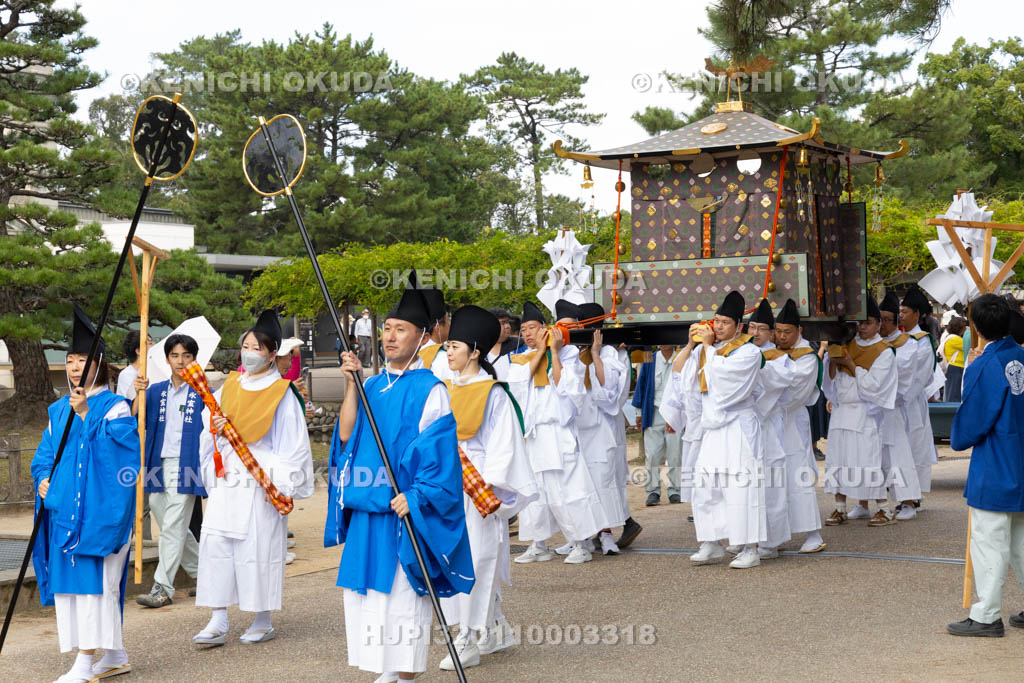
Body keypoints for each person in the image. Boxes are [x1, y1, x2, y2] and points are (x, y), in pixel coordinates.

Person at [327, 281, 473, 681]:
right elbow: (345, 437)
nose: (390, 336)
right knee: (369, 594)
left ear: (422, 336)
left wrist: (418, 495)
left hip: (402, 508)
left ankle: (405, 674)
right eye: (387, 328)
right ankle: (384, 671)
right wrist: (351, 385)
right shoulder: (371, 384)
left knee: (403, 593)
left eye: (400, 329)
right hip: (367, 508)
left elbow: (439, 458)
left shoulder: (431, 389)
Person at [191, 310, 314, 647]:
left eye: (257, 347)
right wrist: (215, 431)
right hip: (229, 479)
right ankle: (218, 617)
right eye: (245, 345)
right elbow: (208, 434)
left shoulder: (282, 393)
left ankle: (262, 618)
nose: (249, 352)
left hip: (261, 482)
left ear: (273, 353)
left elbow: (293, 445)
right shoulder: (228, 386)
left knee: (257, 550)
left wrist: (276, 482)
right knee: (216, 546)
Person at [31, 305, 139, 682]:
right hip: (65, 510)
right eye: (71, 360)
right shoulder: (57, 408)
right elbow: (45, 454)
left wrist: (86, 414)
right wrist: (43, 478)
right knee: (79, 589)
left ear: (101, 362)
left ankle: (84, 662)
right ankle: (115, 654)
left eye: (84, 359)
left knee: (98, 588)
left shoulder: (116, 408)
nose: (76, 366)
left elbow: (122, 462)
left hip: (101, 512)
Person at [438, 305, 537, 670]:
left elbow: (505, 446)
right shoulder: (442, 388)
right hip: (444, 488)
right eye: (446, 346)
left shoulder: (494, 393)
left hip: (477, 487)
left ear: (475, 351)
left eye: (454, 347)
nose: (447, 352)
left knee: (477, 561)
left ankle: (467, 639)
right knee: (449, 559)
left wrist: (488, 488)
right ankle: (496, 629)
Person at [947, 293, 1024, 637]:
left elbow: (973, 422)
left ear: (974, 326)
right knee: (1021, 537)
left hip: (996, 460)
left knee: (989, 538)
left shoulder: (983, 364)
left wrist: (971, 373)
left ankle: (986, 614)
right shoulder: (1021, 355)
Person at [510, 300, 607, 566]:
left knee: (568, 489)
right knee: (535, 492)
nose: (529, 333)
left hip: (557, 432)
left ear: (546, 328)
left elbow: (571, 391)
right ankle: (537, 544)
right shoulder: (521, 359)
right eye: (525, 329)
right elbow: (516, 387)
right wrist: (539, 352)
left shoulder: (568, 354)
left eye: (534, 328)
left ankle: (581, 543)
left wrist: (552, 352)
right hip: (534, 434)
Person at [686, 290, 766, 570]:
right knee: (706, 485)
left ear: (739, 326)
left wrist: (707, 349)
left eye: (725, 323)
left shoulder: (749, 352)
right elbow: (692, 387)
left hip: (738, 426)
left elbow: (728, 385)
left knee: (741, 487)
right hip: (713, 429)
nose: (717, 327)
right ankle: (711, 541)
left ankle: (749, 548)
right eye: (716, 321)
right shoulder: (706, 350)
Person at [133, 334, 206, 609]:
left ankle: (162, 588)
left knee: (174, 524)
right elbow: (135, 417)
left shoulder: (202, 392)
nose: (180, 361)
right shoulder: (155, 391)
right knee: (170, 523)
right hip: (156, 463)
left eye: (186, 356)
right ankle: (207, 575)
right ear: (166, 359)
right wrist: (138, 392)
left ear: (194, 359)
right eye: (175, 355)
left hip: (187, 463)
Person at [822, 296, 898, 528]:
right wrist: (834, 362)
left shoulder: (884, 351)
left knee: (867, 460)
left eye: (868, 322)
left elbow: (875, 386)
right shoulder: (847, 342)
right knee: (838, 459)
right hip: (842, 410)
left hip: (864, 412)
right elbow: (831, 380)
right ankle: (840, 507)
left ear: (878, 325)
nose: (863, 327)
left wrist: (851, 364)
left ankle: (883, 509)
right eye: (860, 322)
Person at [762, 300, 826, 553]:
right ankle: (773, 537)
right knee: (773, 481)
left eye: (787, 331)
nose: (781, 336)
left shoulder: (807, 358)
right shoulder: (771, 353)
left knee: (797, 477)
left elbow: (794, 394)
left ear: (799, 331)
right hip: (770, 424)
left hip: (791, 424)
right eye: (777, 331)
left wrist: (768, 393)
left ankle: (813, 533)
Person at [571, 302, 628, 555]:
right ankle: (580, 537)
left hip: (599, 429)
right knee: (579, 484)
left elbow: (609, 391)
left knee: (603, 481)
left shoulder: (608, 353)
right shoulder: (569, 352)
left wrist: (594, 354)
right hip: (574, 428)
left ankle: (606, 535)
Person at [746, 299, 792, 558]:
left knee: (771, 484)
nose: (755, 333)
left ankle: (770, 542)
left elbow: (779, 384)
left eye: (761, 328)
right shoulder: (740, 352)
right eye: (751, 327)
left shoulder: (780, 358)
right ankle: (747, 537)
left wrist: (758, 368)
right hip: (745, 427)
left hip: (769, 426)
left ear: (772, 333)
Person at [877, 292, 925, 522]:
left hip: (897, 407)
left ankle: (908, 501)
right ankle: (876, 502)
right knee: (876, 457)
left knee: (900, 456)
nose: (883, 324)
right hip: (874, 410)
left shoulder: (908, 344)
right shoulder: (873, 343)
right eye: (880, 319)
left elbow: (906, 375)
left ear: (896, 320)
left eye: (888, 319)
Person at [900, 286, 939, 503]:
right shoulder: (896, 339)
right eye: (900, 311)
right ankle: (903, 494)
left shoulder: (922, 341)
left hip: (912, 402)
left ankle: (914, 497)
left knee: (914, 446)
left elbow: (921, 375)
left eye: (905, 311)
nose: (901, 315)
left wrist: (901, 393)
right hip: (895, 403)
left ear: (916, 314)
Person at [632, 344, 682, 506]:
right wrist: (639, 413)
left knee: (675, 454)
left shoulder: (682, 357)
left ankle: (675, 491)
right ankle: (652, 492)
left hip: (674, 413)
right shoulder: (649, 358)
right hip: (653, 412)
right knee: (652, 455)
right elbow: (641, 386)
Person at [115, 329, 152, 400]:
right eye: (150, 343)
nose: (154, 345)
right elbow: (128, 402)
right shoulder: (126, 375)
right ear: (138, 351)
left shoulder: (152, 368)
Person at [943, 317, 967, 402]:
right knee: (954, 394)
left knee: (953, 392)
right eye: (964, 326)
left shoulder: (950, 337)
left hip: (953, 368)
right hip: (956, 367)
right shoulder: (955, 339)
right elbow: (969, 346)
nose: (966, 328)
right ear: (960, 327)